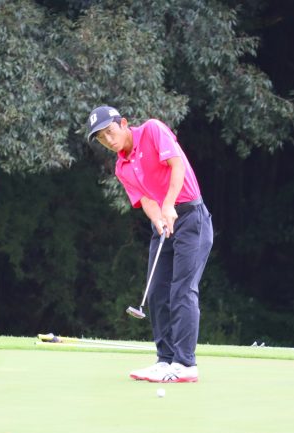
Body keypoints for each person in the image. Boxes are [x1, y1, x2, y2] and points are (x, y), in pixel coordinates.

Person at [86, 105, 213, 383]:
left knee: (182, 290)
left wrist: (169, 204)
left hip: (191, 216)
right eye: (102, 138)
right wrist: (158, 218)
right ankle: (165, 360)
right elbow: (145, 199)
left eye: (110, 131)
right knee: (156, 291)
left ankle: (185, 364)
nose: (108, 140)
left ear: (123, 123)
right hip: (165, 222)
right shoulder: (122, 167)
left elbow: (177, 165)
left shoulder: (152, 130)